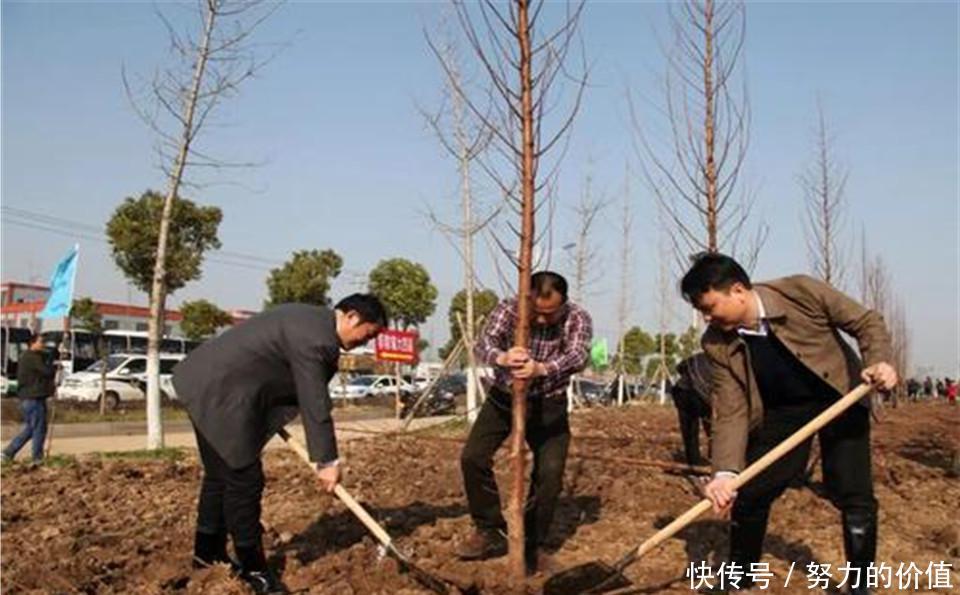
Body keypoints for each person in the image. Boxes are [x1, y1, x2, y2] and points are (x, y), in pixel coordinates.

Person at [681, 253, 897, 595]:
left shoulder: (801, 292)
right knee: (751, 490)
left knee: (853, 493)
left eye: (710, 307)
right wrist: (724, 472)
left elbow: (866, 321)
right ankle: (740, 576)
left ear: (738, 290)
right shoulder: (716, 342)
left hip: (840, 397)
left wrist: (879, 362)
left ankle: (861, 585)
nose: (707, 317)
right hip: (784, 412)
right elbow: (732, 408)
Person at [172, 295, 387, 594]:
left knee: (221, 476)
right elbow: (314, 399)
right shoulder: (317, 338)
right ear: (352, 317)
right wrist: (327, 461)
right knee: (244, 479)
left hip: (205, 382)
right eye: (370, 333)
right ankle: (255, 569)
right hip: (223, 394)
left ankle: (206, 554)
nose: (367, 342)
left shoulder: (309, 320)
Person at [457, 271, 592, 575]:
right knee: (473, 458)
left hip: (549, 405)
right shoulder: (508, 309)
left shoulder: (577, 317)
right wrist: (503, 357)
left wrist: (541, 368)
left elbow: (578, 355)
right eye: (536, 312)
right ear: (526, 298)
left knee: (550, 475)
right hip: (503, 400)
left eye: (550, 313)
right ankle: (491, 530)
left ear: (563, 304)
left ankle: (533, 545)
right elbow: (483, 344)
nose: (542, 320)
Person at [2, 332, 57, 464]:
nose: (43, 345)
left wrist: (56, 353)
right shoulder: (31, 358)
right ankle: (37, 457)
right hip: (33, 398)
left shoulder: (34, 356)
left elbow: (47, 356)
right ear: (32, 343)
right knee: (38, 428)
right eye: (40, 342)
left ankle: (8, 452)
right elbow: (47, 372)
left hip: (34, 397)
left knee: (32, 428)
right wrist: (53, 365)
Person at [671, 352, 713, 467]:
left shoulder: (696, 357)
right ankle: (714, 458)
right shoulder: (719, 362)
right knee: (712, 427)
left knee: (689, 431)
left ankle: (693, 462)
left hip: (683, 392)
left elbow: (679, 367)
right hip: (700, 396)